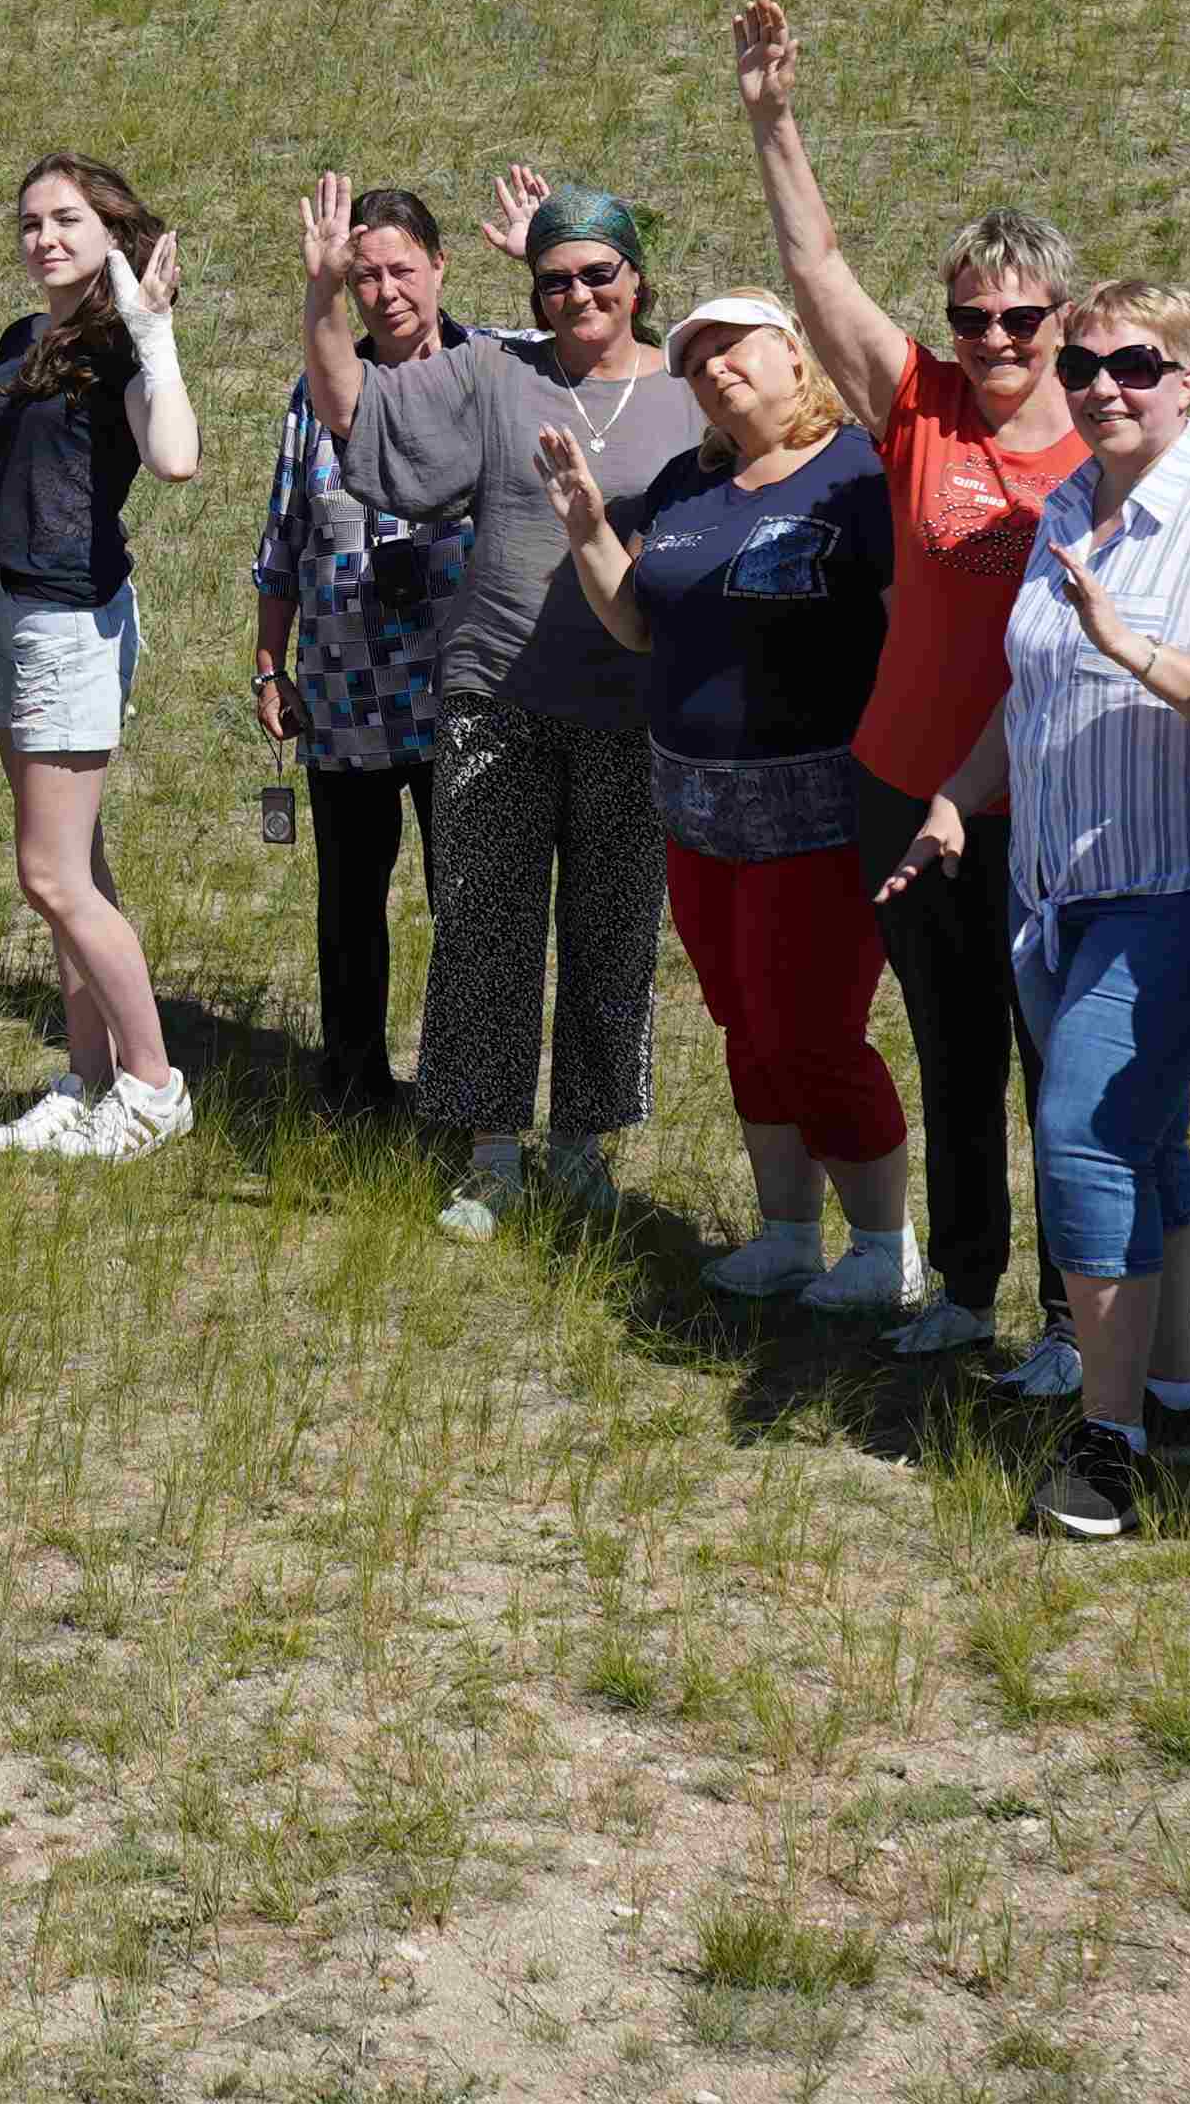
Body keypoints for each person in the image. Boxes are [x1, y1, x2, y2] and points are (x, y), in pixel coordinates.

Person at [727, 0, 1089, 1381]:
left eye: (1020, 318)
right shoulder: (921, 402)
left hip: (1049, 800)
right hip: (900, 784)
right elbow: (813, 266)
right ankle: (964, 1288)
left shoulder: (1111, 442)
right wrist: (773, 117)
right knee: (950, 1050)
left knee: (1061, 1062)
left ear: (1061, 318)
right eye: (973, 317)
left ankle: (1076, 1321)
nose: (995, 339)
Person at [921, 282, 1190, 1544]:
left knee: (1081, 1131)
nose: (1103, 386)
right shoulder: (1075, 503)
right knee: (1145, 1139)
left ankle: (1111, 1439)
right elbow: (1033, 689)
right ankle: (1176, 1400)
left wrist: (1131, 644)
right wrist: (960, 797)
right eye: (1083, 366)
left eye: (1135, 364)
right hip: (1061, 893)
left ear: (1188, 377)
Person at [309, 167, 702, 1245]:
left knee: (613, 929)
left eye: (598, 276)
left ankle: (580, 1148)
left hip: (632, 705)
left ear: (638, 279)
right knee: (485, 923)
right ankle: (492, 1155)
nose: (578, 297)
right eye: (555, 282)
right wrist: (320, 302)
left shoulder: (688, 389)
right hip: (498, 693)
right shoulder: (496, 373)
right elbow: (362, 422)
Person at [537, 295, 923, 1309]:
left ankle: (886, 1245)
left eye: (730, 347)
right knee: (743, 1021)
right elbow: (635, 625)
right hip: (698, 813)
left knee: (812, 1028)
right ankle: (789, 1233)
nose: (710, 369)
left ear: (796, 355)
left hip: (825, 810)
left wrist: (917, 774)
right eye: (694, 360)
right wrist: (587, 526)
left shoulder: (859, 474)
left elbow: (906, 636)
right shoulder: (687, 483)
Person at [0, 158, 205, 1162]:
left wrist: (152, 328)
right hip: (9, 614)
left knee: (50, 875)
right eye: (30, 221)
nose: (44, 236)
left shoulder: (119, 347)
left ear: (112, 232)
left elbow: (177, 456)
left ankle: (151, 1084)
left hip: (71, 623)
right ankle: (90, 1075)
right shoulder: (23, 341)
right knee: (77, 868)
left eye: (67, 219)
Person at [252, 187, 464, 1123]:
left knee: (468, 899)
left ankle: (469, 1087)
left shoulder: (483, 370)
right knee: (349, 904)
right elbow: (285, 535)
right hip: (344, 693)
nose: (385, 291)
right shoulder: (319, 387)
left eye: (401, 269)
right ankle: (353, 1081)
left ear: (439, 267)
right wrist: (269, 665)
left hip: (465, 693)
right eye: (364, 274)